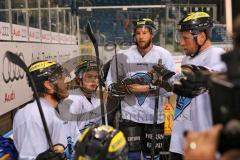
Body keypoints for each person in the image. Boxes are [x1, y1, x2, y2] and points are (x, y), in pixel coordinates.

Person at [106, 18, 175, 159]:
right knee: (132, 157)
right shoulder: (122, 56)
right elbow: (111, 86)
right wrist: (150, 86)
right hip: (130, 116)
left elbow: (170, 88)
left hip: (155, 117)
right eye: (138, 33)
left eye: (145, 33)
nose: (141, 36)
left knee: (153, 157)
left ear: (152, 34)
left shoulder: (164, 55)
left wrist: (133, 87)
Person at [165, 12, 227, 160]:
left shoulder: (217, 55)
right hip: (179, 139)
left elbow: (212, 82)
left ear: (201, 37)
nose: (181, 42)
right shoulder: (187, 58)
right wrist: (167, 78)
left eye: (185, 38)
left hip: (201, 141)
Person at [13, 60, 80, 160]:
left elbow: (76, 140)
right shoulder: (31, 116)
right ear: (49, 85)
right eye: (61, 78)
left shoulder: (64, 108)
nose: (67, 82)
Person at [67, 59, 102, 132]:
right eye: (89, 77)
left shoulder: (98, 100)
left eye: (96, 77)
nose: (94, 80)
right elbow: (69, 133)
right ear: (79, 80)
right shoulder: (72, 100)